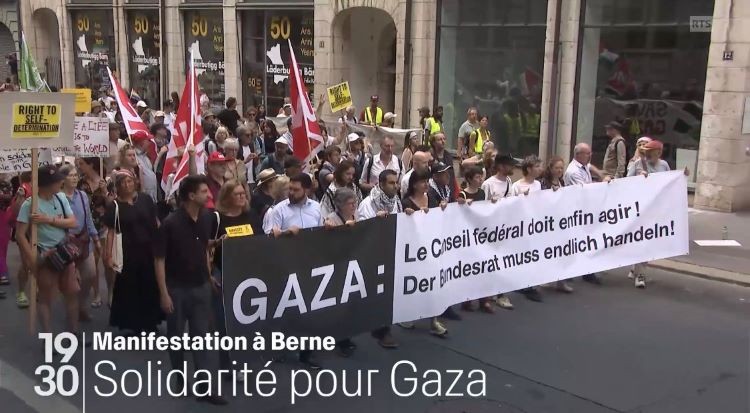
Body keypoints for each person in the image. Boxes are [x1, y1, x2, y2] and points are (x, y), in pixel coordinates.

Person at [155, 175, 227, 405]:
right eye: (204, 191)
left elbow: (203, 248)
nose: (209, 195)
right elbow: (159, 260)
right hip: (176, 289)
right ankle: (179, 378)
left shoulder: (206, 218)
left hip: (201, 286)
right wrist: (163, 293)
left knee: (202, 339)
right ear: (191, 195)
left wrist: (208, 274)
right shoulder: (170, 224)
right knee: (176, 337)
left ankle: (205, 387)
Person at [267, 173, 323, 369]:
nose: (291, 192)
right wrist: (284, 234)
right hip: (285, 266)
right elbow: (268, 238)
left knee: (309, 310)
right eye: (290, 188)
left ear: (306, 190)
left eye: (296, 189)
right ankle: (279, 348)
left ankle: (307, 353)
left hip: (309, 265)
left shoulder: (316, 208)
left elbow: (320, 234)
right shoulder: (278, 210)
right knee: (283, 309)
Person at [16, 166, 79, 335]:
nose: (61, 182)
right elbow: (20, 235)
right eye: (56, 181)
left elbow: (73, 222)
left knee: (72, 293)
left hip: (65, 253)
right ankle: (48, 337)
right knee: (46, 298)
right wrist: (32, 258)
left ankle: (74, 333)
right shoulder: (30, 204)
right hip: (46, 256)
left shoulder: (61, 198)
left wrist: (48, 220)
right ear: (46, 184)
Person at [211, 180, 263, 370]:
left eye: (243, 193)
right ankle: (228, 363)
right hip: (224, 272)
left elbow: (261, 240)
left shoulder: (251, 215)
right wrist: (218, 243)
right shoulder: (216, 219)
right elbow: (206, 248)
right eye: (237, 194)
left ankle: (244, 359)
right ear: (226, 197)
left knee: (247, 320)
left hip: (248, 274)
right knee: (225, 322)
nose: (242, 197)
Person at [103, 170, 162, 333]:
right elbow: (110, 232)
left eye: (129, 181)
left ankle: (151, 322)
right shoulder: (115, 206)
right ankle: (133, 325)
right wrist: (108, 255)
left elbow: (156, 221)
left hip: (148, 250)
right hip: (127, 253)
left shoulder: (145, 199)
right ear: (118, 186)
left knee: (150, 285)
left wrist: (161, 242)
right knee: (130, 288)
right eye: (123, 182)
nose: (127, 185)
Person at [626, 139, 689, 288]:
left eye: (651, 152)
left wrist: (683, 175)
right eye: (646, 152)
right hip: (640, 210)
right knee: (642, 241)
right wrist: (638, 178)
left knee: (647, 241)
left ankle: (636, 268)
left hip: (656, 210)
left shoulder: (664, 165)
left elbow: (669, 182)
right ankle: (640, 274)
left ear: (659, 153)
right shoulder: (638, 164)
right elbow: (626, 183)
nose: (647, 154)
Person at [401, 169, 449, 337]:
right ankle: (407, 314)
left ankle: (433, 320)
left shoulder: (432, 198)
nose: (426, 184)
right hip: (414, 251)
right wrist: (408, 215)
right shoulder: (406, 202)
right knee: (414, 284)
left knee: (432, 283)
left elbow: (439, 217)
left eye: (427, 181)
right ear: (414, 184)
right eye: (423, 182)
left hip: (432, 248)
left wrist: (443, 207)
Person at [59, 164, 101, 323]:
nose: (74, 178)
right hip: (66, 243)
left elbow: (88, 218)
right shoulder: (58, 197)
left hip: (84, 241)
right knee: (69, 280)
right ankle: (72, 311)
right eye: (70, 175)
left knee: (90, 274)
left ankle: (81, 305)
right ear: (63, 179)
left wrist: (96, 238)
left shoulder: (82, 195)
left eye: (76, 175)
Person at [481, 154, 518, 309]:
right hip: (491, 230)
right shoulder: (488, 184)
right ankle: (487, 293)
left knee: (503, 261)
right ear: (501, 166)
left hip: (505, 229)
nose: (513, 167)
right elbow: (481, 206)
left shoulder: (509, 182)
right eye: (509, 165)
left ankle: (500, 293)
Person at [564, 143, 603, 285]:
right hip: (576, 211)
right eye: (587, 153)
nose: (590, 155)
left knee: (584, 241)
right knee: (577, 242)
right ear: (578, 155)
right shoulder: (573, 171)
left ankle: (585, 271)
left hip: (585, 210)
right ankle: (572, 271)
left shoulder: (583, 165)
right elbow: (585, 191)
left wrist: (599, 173)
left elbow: (590, 166)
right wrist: (603, 184)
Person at [538, 156, 574, 294]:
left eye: (561, 168)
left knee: (563, 251)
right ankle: (546, 276)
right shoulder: (543, 183)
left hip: (561, 221)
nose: (559, 170)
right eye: (557, 168)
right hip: (548, 222)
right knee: (549, 250)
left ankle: (561, 281)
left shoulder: (562, 182)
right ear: (551, 168)